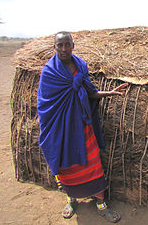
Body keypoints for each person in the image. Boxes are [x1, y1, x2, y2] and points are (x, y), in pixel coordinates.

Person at [37, 31, 128, 222]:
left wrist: (110, 93)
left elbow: (90, 92)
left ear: (73, 45)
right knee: (66, 167)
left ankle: (101, 205)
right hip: (61, 129)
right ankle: (71, 200)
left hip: (82, 126)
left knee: (93, 165)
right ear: (54, 47)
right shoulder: (49, 72)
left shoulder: (80, 66)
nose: (63, 49)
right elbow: (45, 105)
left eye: (66, 45)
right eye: (59, 45)